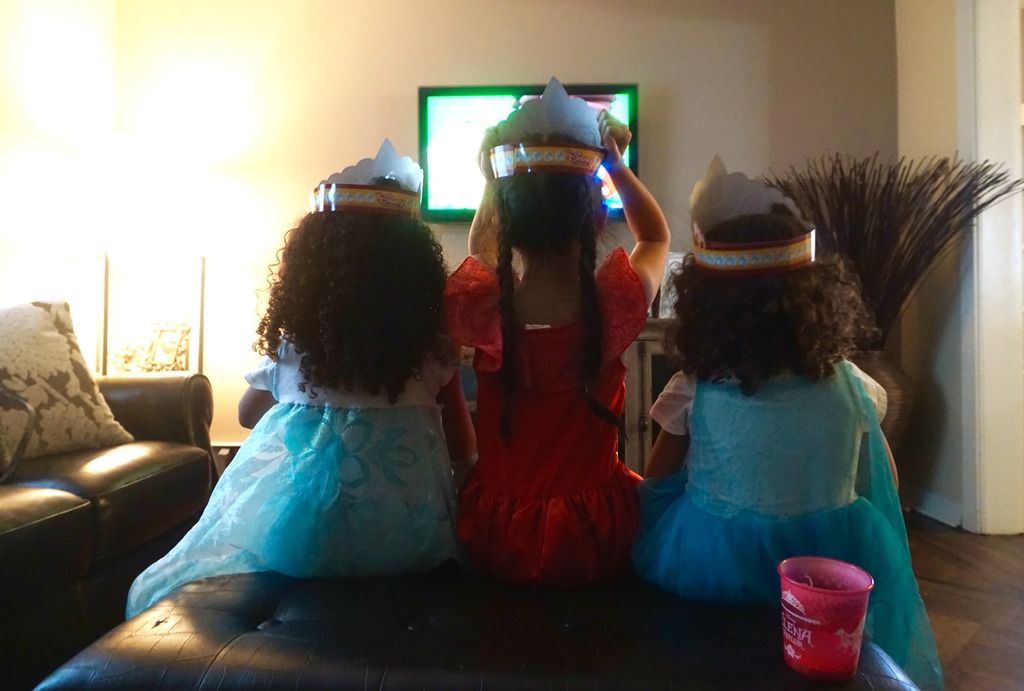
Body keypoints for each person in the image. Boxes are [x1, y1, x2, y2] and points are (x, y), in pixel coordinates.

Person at [127, 140, 474, 618]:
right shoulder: (434, 351)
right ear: (416, 274)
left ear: (314, 267)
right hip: (408, 543)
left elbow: (245, 415)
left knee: (172, 574)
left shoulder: (297, 345)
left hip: (300, 540)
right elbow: (463, 450)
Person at [632, 158, 943, 690]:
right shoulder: (852, 383)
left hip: (714, 560)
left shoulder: (697, 385)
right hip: (823, 566)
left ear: (706, 304)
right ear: (814, 298)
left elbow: (656, 480)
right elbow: (884, 479)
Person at [445, 78, 671, 585]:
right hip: (595, 535)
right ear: (595, 220)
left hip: (496, 535)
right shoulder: (615, 302)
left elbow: (481, 246)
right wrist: (614, 165)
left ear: (504, 220)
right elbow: (656, 237)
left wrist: (491, 181)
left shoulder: (483, 304)